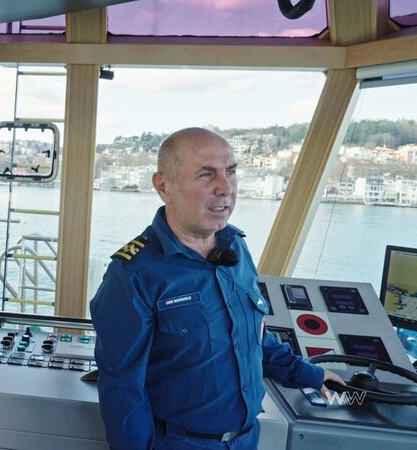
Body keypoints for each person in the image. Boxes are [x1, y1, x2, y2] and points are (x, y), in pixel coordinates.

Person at [90, 128, 344, 450]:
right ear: (163, 186)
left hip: (247, 439)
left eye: (231, 172)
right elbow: (122, 388)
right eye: (206, 174)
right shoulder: (133, 274)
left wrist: (312, 376)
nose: (225, 188)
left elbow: (251, 337)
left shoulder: (235, 248)